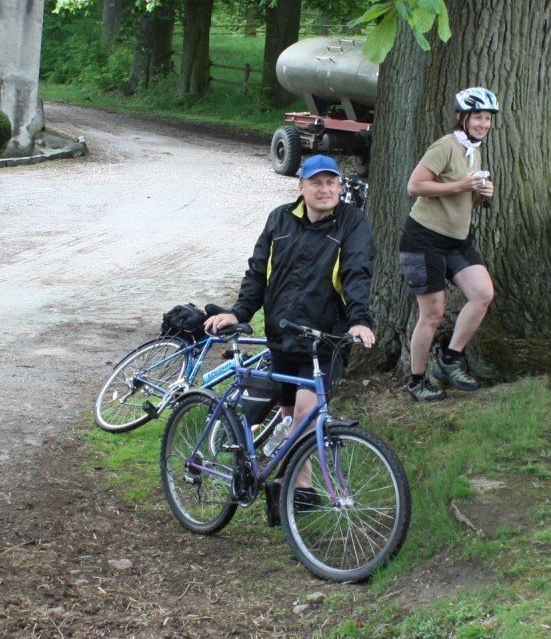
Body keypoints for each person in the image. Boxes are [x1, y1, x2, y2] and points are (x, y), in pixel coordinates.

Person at [203, 154, 375, 452]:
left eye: (331, 182)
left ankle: (300, 492)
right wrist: (239, 311)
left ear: (339, 186)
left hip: (324, 341)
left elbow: (356, 272)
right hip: (282, 338)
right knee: (288, 421)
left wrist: (360, 319)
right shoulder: (280, 218)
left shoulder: (352, 222)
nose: (325, 189)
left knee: (305, 417)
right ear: (301, 187)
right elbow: (258, 271)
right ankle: (287, 485)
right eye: (316, 182)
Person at [400, 87, 499, 401]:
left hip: (456, 240)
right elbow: (414, 185)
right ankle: (417, 382)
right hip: (423, 238)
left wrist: (479, 194)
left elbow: (460, 203)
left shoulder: (475, 150)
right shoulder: (446, 146)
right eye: (478, 117)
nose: (484, 124)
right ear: (463, 117)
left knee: (482, 293)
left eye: (488, 118)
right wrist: (461, 184)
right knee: (432, 313)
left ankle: (449, 361)